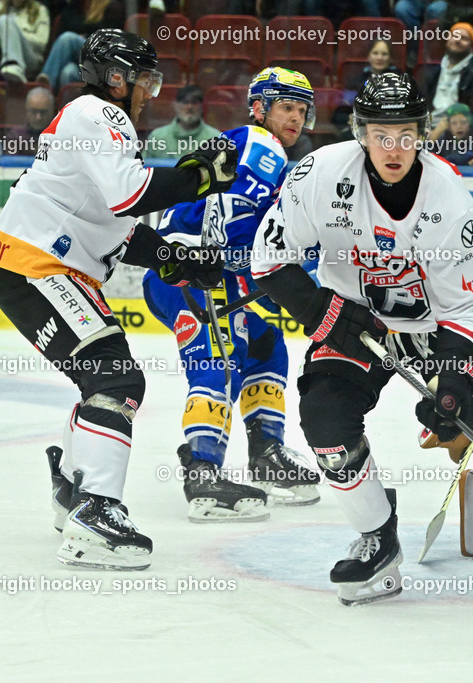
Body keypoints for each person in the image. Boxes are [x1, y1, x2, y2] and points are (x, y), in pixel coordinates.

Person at [251, 72, 473, 606]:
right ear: (360, 132)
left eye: (405, 133)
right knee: (324, 419)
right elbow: (269, 261)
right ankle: (377, 535)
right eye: (381, 133)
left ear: (422, 133)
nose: (393, 147)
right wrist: (321, 311)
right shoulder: (318, 175)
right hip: (356, 321)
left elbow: (468, 310)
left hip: (439, 326)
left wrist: (452, 385)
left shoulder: (447, 198)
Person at [0, 29, 238, 569]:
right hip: (36, 264)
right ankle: (96, 510)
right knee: (115, 377)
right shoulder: (99, 114)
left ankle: (76, 492)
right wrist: (196, 177)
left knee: (103, 378)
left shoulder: (94, 124)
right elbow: (133, 195)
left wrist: (176, 257)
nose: (150, 90)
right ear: (116, 78)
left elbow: (114, 222)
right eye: (144, 79)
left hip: (30, 263)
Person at [142, 67, 322, 521]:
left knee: (265, 346)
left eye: (302, 110)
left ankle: (266, 455)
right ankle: (202, 476)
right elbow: (232, 220)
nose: (296, 118)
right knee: (217, 356)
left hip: (211, 272)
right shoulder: (259, 144)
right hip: (184, 272)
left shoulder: (268, 152)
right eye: (286, 107)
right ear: (259, 107)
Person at [37, 0, 126, 91]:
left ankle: (42, 89)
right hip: (81, 63)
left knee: (68, 38)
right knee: (68, 72)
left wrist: (83, 35)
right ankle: (57, 100)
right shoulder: (75, 6)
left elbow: (105, 40)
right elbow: (63, 28)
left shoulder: (113, 7)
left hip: (101, 60)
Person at [421, 22, 473, 132]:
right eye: (454, 36)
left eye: (464, 38)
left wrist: (445, 126)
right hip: (430, 125)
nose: (457, 40)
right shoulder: (433, 73)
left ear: (471, 47)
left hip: (460, 129)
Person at [144, 84, 221, 160]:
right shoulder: (157, 138)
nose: (189, 107)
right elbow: (144, 167)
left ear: (202, 106)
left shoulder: (215, 138)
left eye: (194, 102)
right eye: (185, 102)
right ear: (175, 106)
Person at [6, 85, 55, 155]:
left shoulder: (62, 137)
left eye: (43, 112)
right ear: (26, 111)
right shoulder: (15, 137)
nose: (38, 117)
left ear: (52, 112)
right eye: (34, 112)